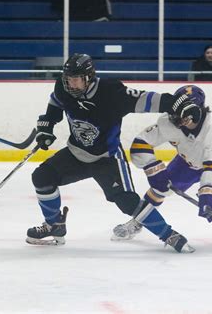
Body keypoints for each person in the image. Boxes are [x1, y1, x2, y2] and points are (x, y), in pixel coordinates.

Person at [26, 53, 194, 253]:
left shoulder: (111, 92)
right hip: (76, 153)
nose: (72, 84)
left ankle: (169, 234)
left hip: (107, 159)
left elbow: (145, 99)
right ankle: (54, 225)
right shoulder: (63, 88)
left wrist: (176, 102)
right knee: (42, 177)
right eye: (69, 79)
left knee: (127, 202)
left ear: (89, 77)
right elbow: (56, 102)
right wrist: (47, 125)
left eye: (76, 79)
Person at [112, 85, 212, 252]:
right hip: (190, 156)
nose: (177, 120)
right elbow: (141, 143)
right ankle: (140, 220)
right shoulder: (168, 122)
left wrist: (207, 189)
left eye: (183, 115)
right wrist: (154, 169)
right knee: (162, 187)